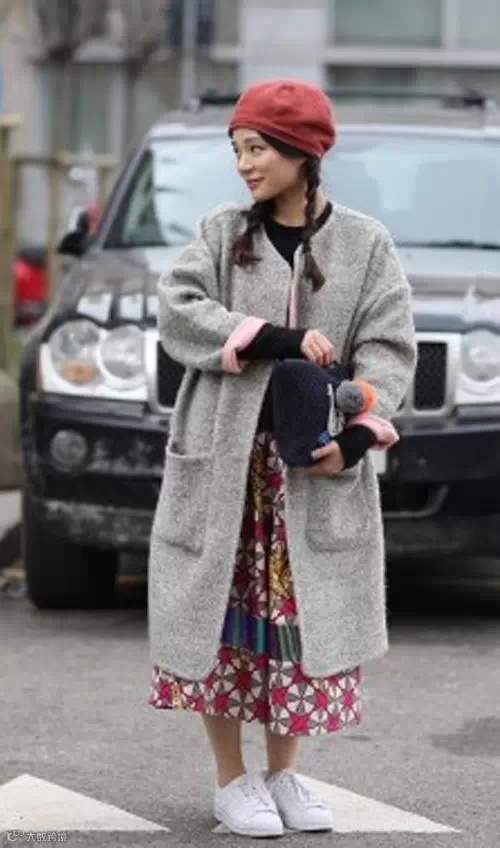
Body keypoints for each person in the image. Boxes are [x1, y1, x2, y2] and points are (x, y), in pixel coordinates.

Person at [147, 78, 417, 838]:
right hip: (226, 467)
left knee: (298, 628)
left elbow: (391, 350)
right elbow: (178, 310)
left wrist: (356, 439)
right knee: (221, 624)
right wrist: (275, 337)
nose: (244, 164)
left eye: (258, 148)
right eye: (237, 149)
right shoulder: (220, 233)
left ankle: (284, 775)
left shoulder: (365, 244)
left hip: (309, 470)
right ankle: (231, 781)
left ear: (303, 152)